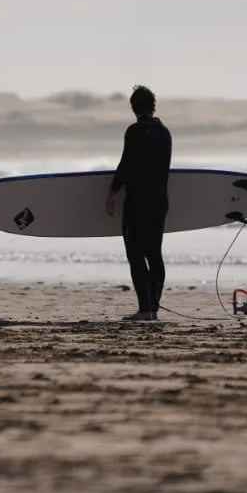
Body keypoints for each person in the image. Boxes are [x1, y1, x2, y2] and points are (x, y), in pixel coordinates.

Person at [105, 85, 172, 321]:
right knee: (154, 253)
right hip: (160, 202)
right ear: (153, 106)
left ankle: (145, 310)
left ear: (133, 108)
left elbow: (127, 166)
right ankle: (153, 308)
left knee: (135, 255)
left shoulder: (134, 131)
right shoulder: (165, 133)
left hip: (137, 204)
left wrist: (112, 193)